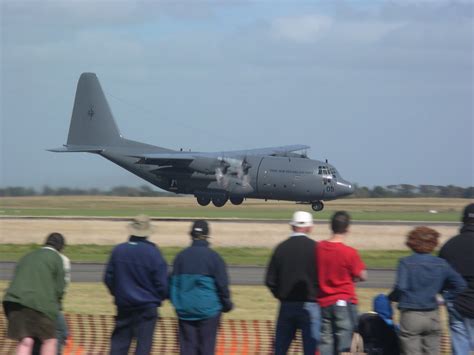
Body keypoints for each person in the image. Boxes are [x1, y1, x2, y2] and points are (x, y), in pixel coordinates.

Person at [389, 226, 466, 355]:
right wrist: (445, 298)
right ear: (434, 243)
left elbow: (401, 287)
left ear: (411, 242)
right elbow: (460, 284)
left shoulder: (405, 262)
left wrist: (391, 298)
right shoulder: (441, 264)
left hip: (411, 314)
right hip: (432, 315)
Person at [104, 215, 168, 355]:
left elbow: (108, 278)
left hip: (124, 305)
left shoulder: (118, 250)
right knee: (143, 346)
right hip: (147, 306)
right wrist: (160, 297)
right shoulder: (153, 253)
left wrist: (119, 293)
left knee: (119, 344)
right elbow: (162, 283)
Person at [169, 220, 233, 355]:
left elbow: (173, 285)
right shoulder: (214, 257)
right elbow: (222, 285)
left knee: (187, 349)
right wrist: (226, 304)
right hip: (209, 312)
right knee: (206, 348)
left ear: (191, 235)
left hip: (185, 311)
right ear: (207, 235)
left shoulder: (180, 257)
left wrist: (178, 305)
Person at [265, 211, 320, 355]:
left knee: (280, 349)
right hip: (311, 305)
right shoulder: (317, 249)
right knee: (311, 349)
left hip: (286, 304)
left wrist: (280, 294)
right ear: (309, 228)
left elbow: (269, 280)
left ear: (292, 226)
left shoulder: (281, 248)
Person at [3, 233, 66, 355]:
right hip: (40, 304)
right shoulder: (56, 258)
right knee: (50, 340)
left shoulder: (28, 255)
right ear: (60, 247)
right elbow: (59, 288)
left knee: (25, 341)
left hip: (13, 302)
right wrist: (56, 307)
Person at [316, 211, 367, 355]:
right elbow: (362, 275)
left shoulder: (318, 248)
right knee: (344, 343)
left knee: (326, 340)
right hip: (343, 302)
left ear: (331, 226)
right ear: (347, 229)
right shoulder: (349, 252)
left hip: (323, 302)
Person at [439, 203, 474, 354]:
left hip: (457, 303)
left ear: (463, 220)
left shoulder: (449, 246)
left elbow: (440, 277)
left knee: (460, 346)